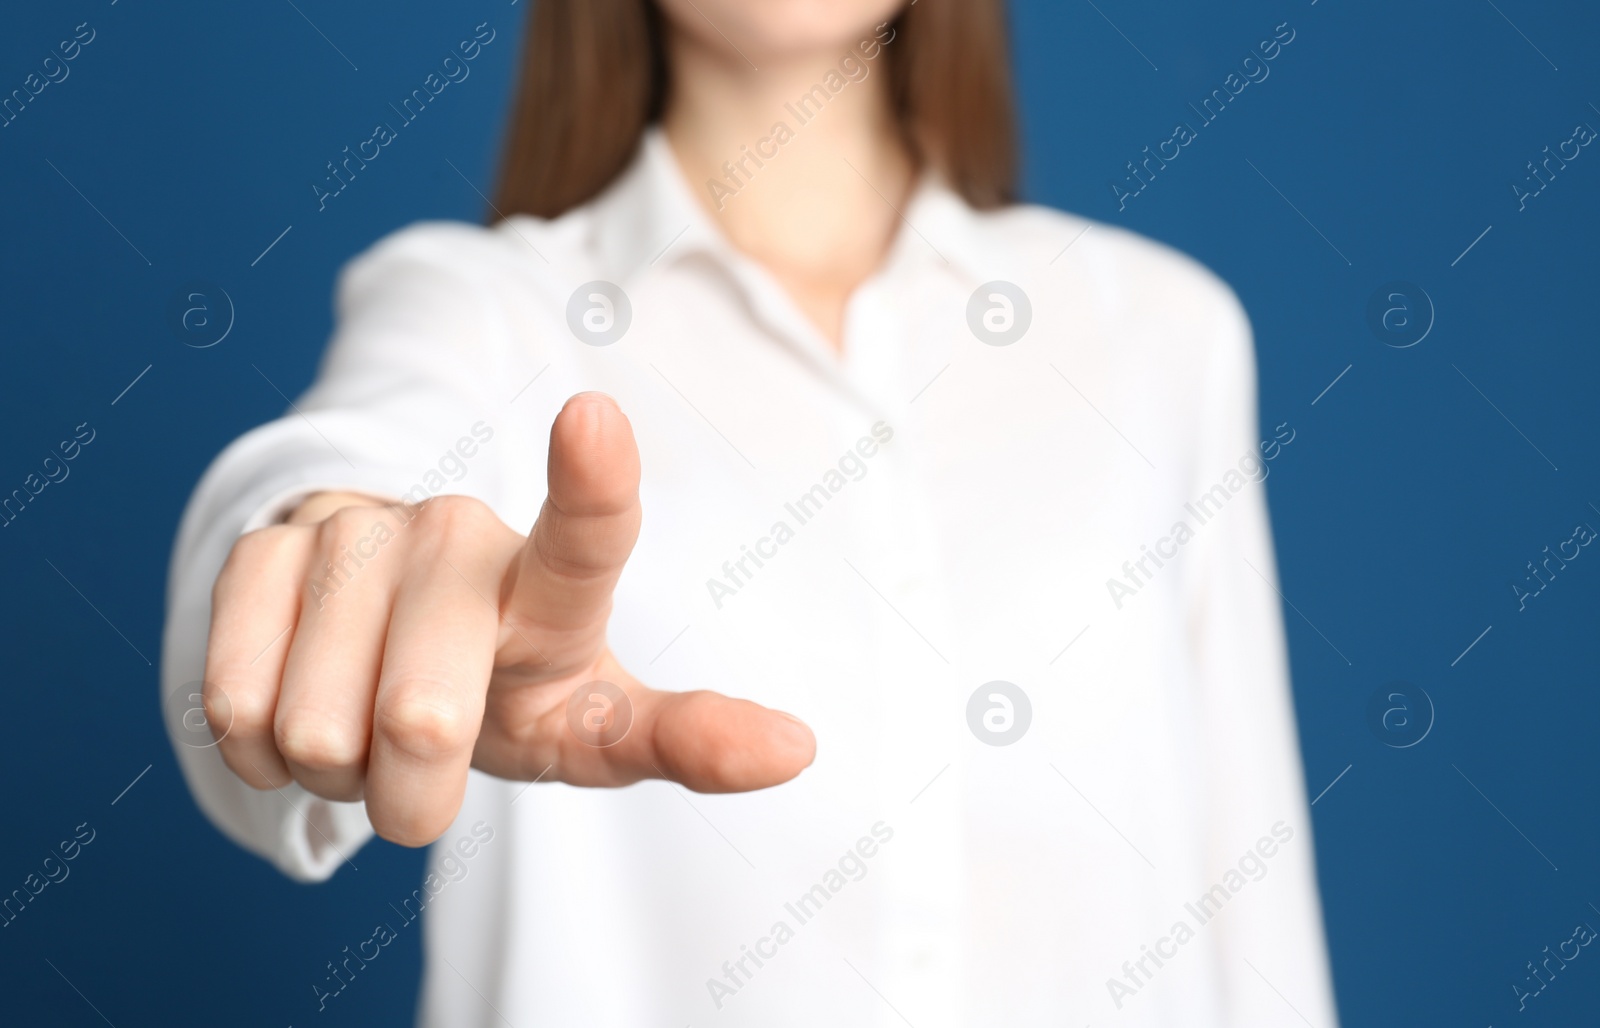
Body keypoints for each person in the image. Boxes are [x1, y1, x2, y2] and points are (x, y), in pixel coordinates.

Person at [162, 0, 1339, 1024]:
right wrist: (332, 549)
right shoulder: (485, 312)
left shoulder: (1157, 335)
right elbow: (346, 469)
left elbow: (1248, 890)